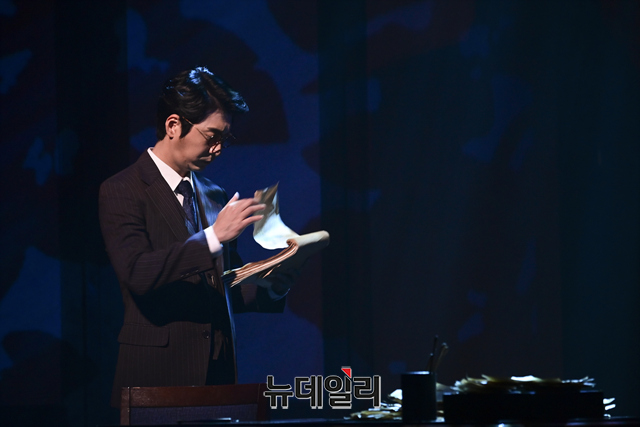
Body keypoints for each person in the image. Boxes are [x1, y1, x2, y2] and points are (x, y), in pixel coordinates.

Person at [99, 67, 291, 408]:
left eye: (224, 139)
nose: (218, 149)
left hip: (217, 376)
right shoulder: (122, 189)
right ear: (174, 125)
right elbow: (138, 273)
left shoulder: (214, 195)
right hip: (155, 375)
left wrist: (272, 284)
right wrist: (213, 236)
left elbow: (222, 287)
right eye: (211, 136)